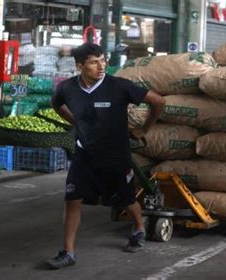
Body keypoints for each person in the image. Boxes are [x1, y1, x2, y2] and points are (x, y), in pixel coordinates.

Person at [47, 42, 165, 269]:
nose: (101, 66)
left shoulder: (119, 86)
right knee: (72, 200)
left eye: (103, 60)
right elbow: (56, 105)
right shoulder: (68, 88)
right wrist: (76, 122)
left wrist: (145, 129)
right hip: (84, 154)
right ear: (80, 66)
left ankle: (139, 228)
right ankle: (68, 252)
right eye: (94, 62)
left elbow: (159, 101)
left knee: (126, 200)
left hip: (115, 155)